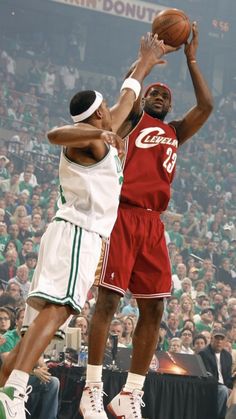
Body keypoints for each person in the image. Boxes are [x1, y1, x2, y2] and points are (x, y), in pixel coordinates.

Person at [0, 33, 168, 419]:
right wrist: (99, 131)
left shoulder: (104, 133)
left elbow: (129, 95)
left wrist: (145, 60)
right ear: (96, 116)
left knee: (36, 329)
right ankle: (15, 390)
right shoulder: (90, 140)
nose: (114, 111)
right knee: (59, 312)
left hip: (69, 234)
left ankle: (6, 383)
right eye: (105, 111)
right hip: (77, 233)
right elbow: (53, 134)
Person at [80, 22, 213, 419]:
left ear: (170, 107)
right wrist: (147, 64)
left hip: (154, 224)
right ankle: (93, 387)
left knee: (155, 309)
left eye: (163, 95)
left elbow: (206, 106)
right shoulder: (133, 120)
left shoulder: (175, 131)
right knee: (108, 300)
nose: (157, 94)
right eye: (153, 91)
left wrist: (191, 59)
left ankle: (130, 393)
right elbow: (129, 90)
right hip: (123, 213)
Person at [199, 328, 233, 419]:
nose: (219, 341)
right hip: (209, 386)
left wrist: (231, 385)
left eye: (222, 339)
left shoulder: (227, 356)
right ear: (211, 339)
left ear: (225, 341)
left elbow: (228, 377)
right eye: (217, 338)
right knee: (223, 390)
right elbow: (207, 375)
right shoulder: (204, 354)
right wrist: (225, 387)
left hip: (225, 386)